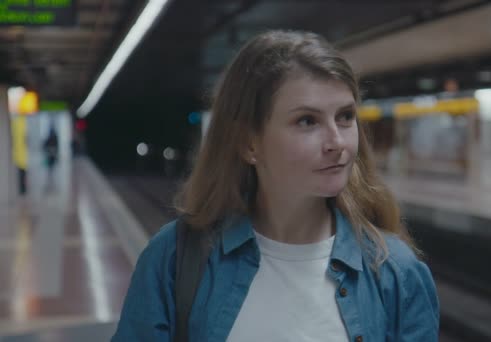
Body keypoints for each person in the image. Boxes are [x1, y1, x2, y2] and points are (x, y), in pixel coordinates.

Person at [112, 30, 439, 341]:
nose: (337, 142)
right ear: (248, 143)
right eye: (307, 121)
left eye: (345, 116)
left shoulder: (397, 272)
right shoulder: (175, 259)